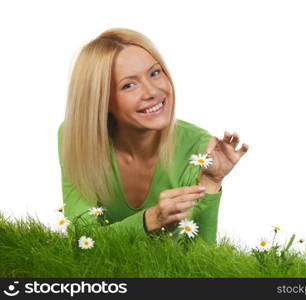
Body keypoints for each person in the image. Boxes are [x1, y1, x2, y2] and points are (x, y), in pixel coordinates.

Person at [58, 28, 249, 244]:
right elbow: (81, 240)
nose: (152, 92)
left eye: (155, 73)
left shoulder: (199, 148)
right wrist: (150, 219)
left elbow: (200, 263)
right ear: (102, 100)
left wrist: (211, 182)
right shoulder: (78, 136)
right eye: (129, 85)